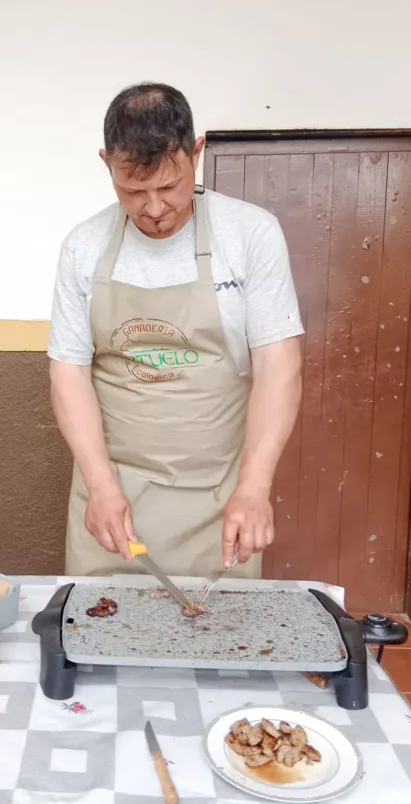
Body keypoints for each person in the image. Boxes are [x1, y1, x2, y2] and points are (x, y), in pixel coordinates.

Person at [48, 82, 303, 578]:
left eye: (169, 186)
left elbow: (279, 365)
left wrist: (254, 486)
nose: (155, 207)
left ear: (197, 153)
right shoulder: (83, 247)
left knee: (220, 641)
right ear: (107, 164)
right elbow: (69, 372)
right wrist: (100, 485)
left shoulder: (250, 234)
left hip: (220, 497)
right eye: (133, 190)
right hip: (112, 496)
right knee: (102, 637)